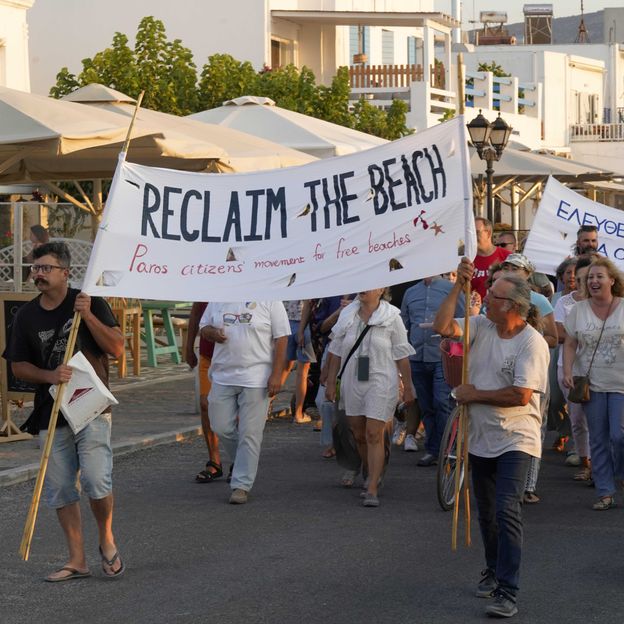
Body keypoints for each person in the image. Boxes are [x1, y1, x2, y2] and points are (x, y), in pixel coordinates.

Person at [433, 260, 549, 619]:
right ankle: (493, 568)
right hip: (480, 434)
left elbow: (520, 394)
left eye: (493, 295)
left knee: (506, 508)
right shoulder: (481, 326)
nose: (484, 298)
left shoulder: (532, 343)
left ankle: (508, 590)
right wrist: (457, 286)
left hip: (517, 437)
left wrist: (473, 393)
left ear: (512, 305)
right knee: (486, 512)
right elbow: (441, 327)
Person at [4, 241, 125, 581]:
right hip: (50, 410)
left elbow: (116, 347)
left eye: (45, 268)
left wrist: (86, 315)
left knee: (96, 480)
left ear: (65, 273)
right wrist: (49, 376)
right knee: (59, 487)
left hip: (90, 406)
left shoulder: (89, 302)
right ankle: (77, 560)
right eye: (35, 268)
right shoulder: (27, 315)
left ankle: (106, 537)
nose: (38, 274)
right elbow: (18, 366)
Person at [325, 289, 415, 507]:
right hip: (352, 379)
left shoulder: (392, 315)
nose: (364, 290)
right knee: (358, 433)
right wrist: (329, 381)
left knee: (374, 432)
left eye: (370, 285)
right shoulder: (347, 314)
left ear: (382, 290)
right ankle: (369, 470)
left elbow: (402, 354)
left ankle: (373, 485)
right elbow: (336, 349)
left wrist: (409, 386)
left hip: (381, 378)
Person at [200, 301, 289, 504]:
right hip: (223, 374)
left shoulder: (271, 298)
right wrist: (211, 333)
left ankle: (241, 485)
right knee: (220, 426)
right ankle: (244, 461)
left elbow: (282, 338)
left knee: (250, 432)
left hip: (257, 377)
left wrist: (277, 374)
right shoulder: (220, 294)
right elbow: (203, 326)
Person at [562, 256, 624, 511]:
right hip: (592, 383)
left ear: (612, 280)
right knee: (597, 439)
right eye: (590, 278)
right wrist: (567, 370)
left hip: (621, 383)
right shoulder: (578, 310)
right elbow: (570, 343)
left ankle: (618, 474)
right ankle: (605, 491)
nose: (594, 281)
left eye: (599, 276)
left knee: (619, 437)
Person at [401, 274, 465, 466]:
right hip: (417, 356)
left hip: (442, 356)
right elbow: (404, 324)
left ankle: (449, 449)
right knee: (427, 406)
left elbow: (462, 321)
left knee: (442, 403)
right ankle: (433, 449)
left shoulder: (450, 289)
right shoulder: (410, 292)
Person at [554, 255, 594, 480]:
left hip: (600, 367)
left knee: (603, 418)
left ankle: (603, 465)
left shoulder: (607, 301)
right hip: (570, 368)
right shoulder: (564, 302)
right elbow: (560, 334)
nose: (587, 282)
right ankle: (586, 463)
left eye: (592, 277)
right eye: (582, 278)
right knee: (578, 419)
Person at [185, 302, 222, 483]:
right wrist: (188, 346)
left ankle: (239, 461)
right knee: (205, 405)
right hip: (207, 355)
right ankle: (214, 461)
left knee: (236, 413)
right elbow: (196, 313)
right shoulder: (208, 278)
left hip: (234, 358)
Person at [282, 300, 317, 424]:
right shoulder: (306, 281)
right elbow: (308, 304)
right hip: (302, 324)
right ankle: (298, 413)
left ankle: (265, 408)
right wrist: (302, 330)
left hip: (284, 324)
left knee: (283, 370)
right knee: (302, 373)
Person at [472, 217, 512, 300]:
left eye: (476, 232)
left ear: (489, 233)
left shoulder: (507, 257)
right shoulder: (467, 259)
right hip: (474, 311)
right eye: (471, 233)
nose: (473, 237)